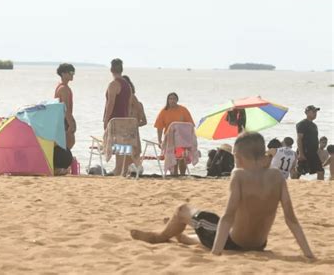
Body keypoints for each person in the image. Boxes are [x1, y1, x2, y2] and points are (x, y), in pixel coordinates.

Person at [130, 132, 315, 259]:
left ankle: (159, 237)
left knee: (183, 209)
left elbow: (227, 217)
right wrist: (309, 254)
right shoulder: (277, 177)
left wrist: (216, 254)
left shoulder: (239, 175)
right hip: (259, 245)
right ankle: (186, 238)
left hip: (233, 243)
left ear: (238, 157)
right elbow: (292, 220)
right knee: (210, 226)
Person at [103, 58, 132, 175]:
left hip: (115, 119)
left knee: (117, 145)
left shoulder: (114, 84)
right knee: (123, 145)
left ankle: (118, 169)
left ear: (111, 69)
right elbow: (129, 105)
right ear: (122, 69)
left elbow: (110, 103)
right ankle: (122, 169)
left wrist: (106, 119)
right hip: (125, 118)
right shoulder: (127, 85)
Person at [154, 92, 195, 175]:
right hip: (169, 140)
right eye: (170, 99)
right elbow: (159, 127)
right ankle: (174, 173)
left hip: (182, 140)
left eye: (174, 99)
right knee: (173, 157)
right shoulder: (164, 111)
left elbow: (190, 125)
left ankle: (182, 174)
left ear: (177, 100)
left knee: (181, 157)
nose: (172, 100)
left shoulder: (183, 110)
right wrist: (159, 140)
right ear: (168, 100)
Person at [296, 105, 324, 180]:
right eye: (313, 112)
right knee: (300, 171)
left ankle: (319, 189)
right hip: (305, 151)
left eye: (316, 112)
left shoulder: (314, 125)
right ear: (307, 112)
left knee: (320, 171)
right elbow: (299, 139)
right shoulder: (302, 124)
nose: (315, 113)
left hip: (313, 152)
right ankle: (290, 184)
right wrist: (301, 154)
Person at [55, 63, 76, 149]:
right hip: (64, 121)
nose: (72, 74)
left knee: (66, 146)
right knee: (67, 146)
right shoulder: (64, 89)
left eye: (73, 72)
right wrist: (71, 123)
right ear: (63, 74)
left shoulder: (62, 86)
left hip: (62, 120)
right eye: (70, 72)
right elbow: (65, 108)